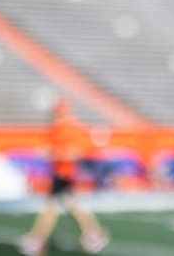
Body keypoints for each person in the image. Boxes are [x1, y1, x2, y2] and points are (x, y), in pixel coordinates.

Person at [18, 98, 109, 256]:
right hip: (61, 171)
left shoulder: (67, 127)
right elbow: (51, 147)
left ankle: (38, 239)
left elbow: (76, 152)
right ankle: (93, 233)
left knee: (51, 206)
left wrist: (55, 154)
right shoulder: (61, 127)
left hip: (64, 172)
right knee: (69, 205)